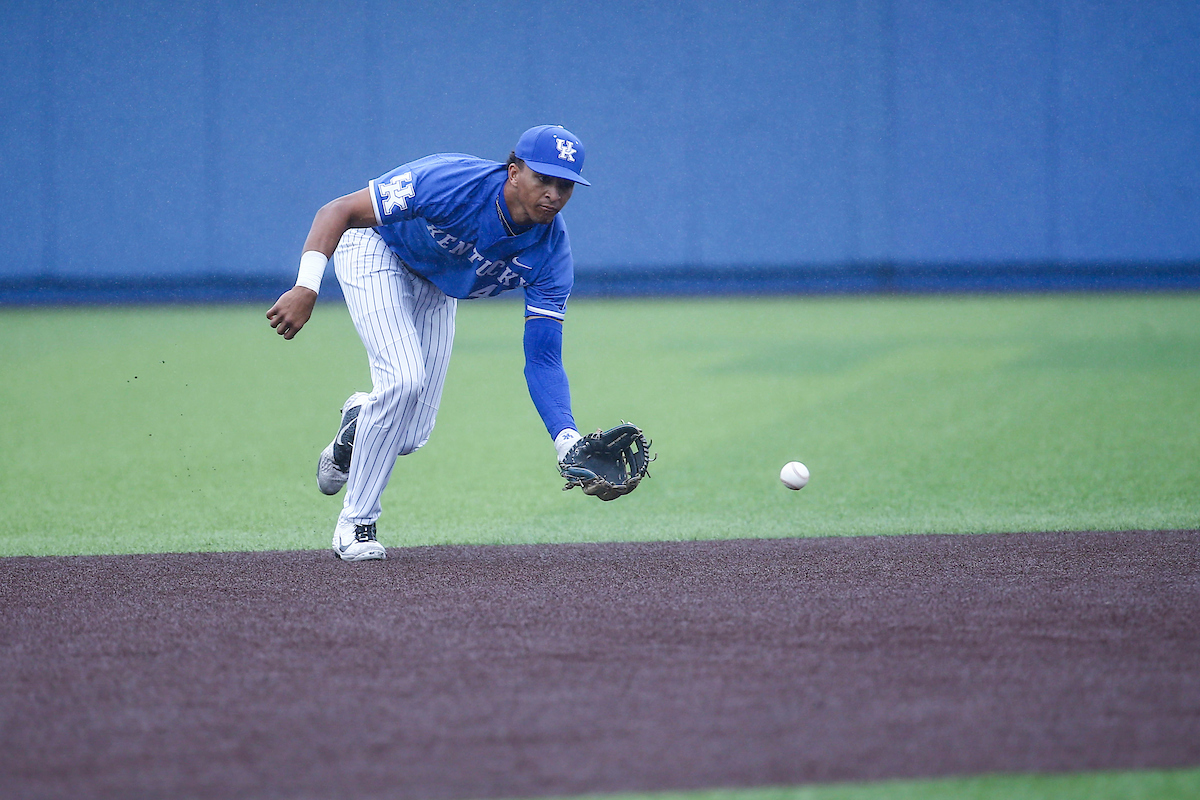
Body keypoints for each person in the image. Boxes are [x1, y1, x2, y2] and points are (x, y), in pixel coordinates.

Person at [266, 125, 590, 561]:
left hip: (436, 285)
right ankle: (356, 524)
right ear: (514, 172)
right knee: (403, 381)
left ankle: (357, 423)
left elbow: (544, 360)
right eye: (542, 179)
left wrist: (566, 439)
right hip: (376, 249)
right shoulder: (451, 182)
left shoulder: (551, 254)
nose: (553, 193)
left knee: (410, 434)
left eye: (564, 184)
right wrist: (307, 287)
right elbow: (337, 211)